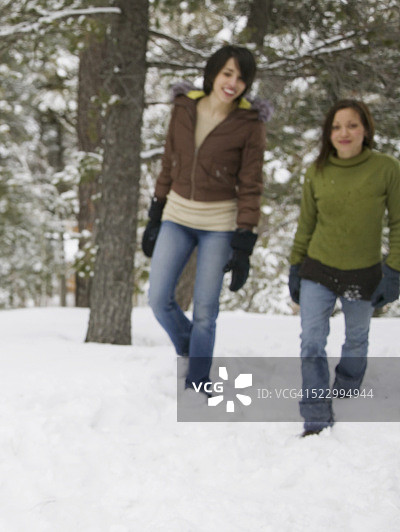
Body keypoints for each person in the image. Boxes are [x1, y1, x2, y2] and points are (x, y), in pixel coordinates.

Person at [142, 45, 271, 391]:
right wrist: (155, 214)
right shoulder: (184, 107)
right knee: (158, 299)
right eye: (227, 73)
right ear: (213, 73)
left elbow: (251, 184)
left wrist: (243, 242)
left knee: (205, 311)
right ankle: (191, 348)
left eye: (241, 78)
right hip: (177, 216)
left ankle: (198, 380)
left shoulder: (250, 124)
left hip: (219, 225)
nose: (233, 83)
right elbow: (168, 161)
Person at [288, 100, 400, 436]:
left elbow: (399, 223)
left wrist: (394, 271)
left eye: (352, 125)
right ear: (328, 134)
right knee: (311, 340)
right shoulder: (317, 171)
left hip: (363, 273)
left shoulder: (386, 169)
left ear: (365, 129)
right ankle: (315, 412)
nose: (344, 133)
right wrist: (295, 266)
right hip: (318, 269)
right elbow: (306, 224)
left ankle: (348, 387)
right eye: (336, 127)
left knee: (356, 340)